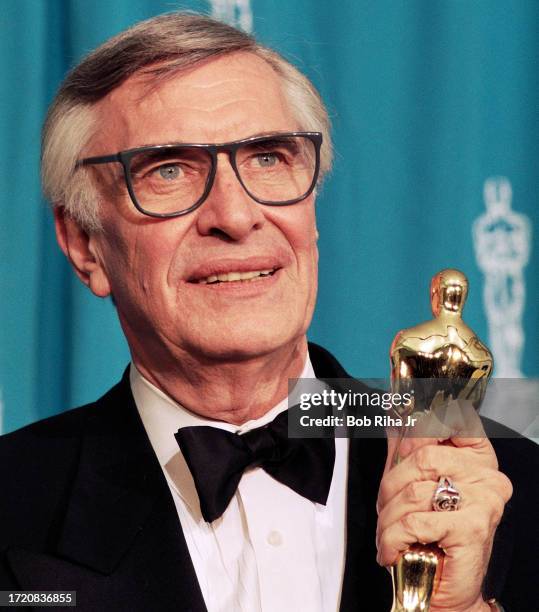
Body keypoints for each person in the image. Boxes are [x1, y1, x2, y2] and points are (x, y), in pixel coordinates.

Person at [0, 12, 535, 612]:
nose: (235, 215)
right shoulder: (13, 506)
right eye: (168, 170)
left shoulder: (515, 484)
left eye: (267, 158)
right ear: (84, 242)